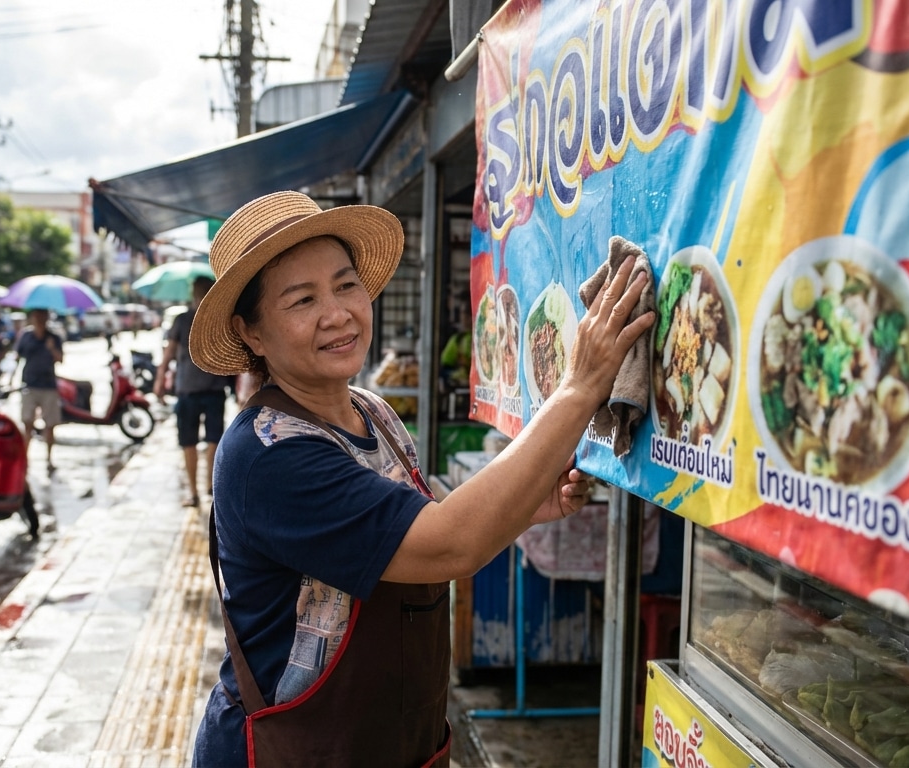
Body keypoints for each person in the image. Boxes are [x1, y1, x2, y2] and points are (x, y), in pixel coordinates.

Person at [187, 192, 651, 767]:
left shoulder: (371, 411)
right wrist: (580, 386)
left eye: (346, 285)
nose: (337, 314)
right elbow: (448, 543)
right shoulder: (268, 455)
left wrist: (526, 507)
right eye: (302, 300)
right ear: (252, 334)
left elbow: (410, 529)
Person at [154, 276, 236, 507]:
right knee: (214, 439)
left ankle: (193, 492)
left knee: (188, 441)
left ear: (193, 293)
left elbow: (168, 354)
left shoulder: (182, 320)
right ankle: (210, 485)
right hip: (214, 389)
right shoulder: (220, 319)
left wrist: (160, 379)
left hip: (188, 389)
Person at [14, 308, 64, 472]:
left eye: (43, 316)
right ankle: (24, 460)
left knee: (50, 425)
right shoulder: (26, 336)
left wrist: (51, 348)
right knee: (27, 424)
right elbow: (17, 357)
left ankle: (49, 459)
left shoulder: (54, 337)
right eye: (37, 316)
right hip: (29, 384)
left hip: (48, 385)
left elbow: (61, 359)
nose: (40, 319)